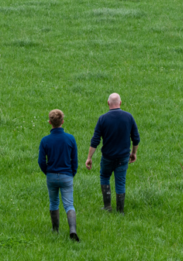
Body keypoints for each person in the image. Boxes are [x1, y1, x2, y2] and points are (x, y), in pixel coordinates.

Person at [85, 93, 140, 213]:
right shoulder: (128, 117)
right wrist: (134, 153)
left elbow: (95, 141)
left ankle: (107, 206)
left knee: (104, 177)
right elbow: (136, 138)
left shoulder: (103, 119)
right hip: (123, 157)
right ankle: (120, 210)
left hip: (107, 157)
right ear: (120, 103)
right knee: (120, 181)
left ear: (108, 103)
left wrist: (89, 157)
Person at [38, 109, 80, 241]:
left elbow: (41, 161)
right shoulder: (70, 138)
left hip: (51, 176)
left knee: (54, 203)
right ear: (62, 121)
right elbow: (75, 160)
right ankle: (72, 230)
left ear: (50, 122)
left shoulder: (45, 140)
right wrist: (72, 173)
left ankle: (55, 229)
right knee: (69, 204)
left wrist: (48, 172)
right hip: (66, 175)